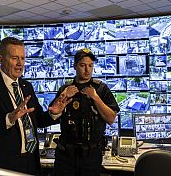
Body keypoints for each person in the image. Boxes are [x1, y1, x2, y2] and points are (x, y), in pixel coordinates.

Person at [0, 37, 70, 174]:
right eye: (14, 58)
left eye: (22, 58)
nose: (20, 64)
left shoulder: (26, 86)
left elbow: (38, 120)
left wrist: (53, 113)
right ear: (1, 59)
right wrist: (8, 119)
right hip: (1, 167)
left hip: (30, 163)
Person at [50, 48, 120, 176]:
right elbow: (52, 114)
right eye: (83, 65)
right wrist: (63, 96)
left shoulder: (101, 89)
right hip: (66, 156)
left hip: (91, 157)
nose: (87, 70)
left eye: (90, 66)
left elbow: (111, 119)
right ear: (75, 66)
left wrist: (95, 98)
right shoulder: (65, 89)